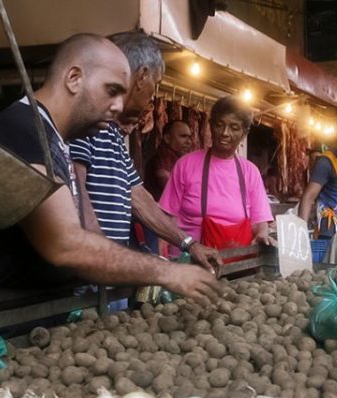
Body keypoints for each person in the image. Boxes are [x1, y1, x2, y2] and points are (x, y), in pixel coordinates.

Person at [0, 34, 221, 304]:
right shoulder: (24, 132)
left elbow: (131, 199)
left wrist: (181, 246)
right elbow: (66, 245)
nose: (117, 106)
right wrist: (166, 271)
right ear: (74, 78)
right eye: (111, 90)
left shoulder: (53, 138)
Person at [70, 32, 219, 271]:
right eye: (155, 85)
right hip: (87, 281)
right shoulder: (86, 123)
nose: (152, 95)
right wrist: (101, 257)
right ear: (142, 77)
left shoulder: (111, 133)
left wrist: (188, 243)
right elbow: (76, 194)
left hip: (106, 275)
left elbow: (139, 200)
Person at [159, 96, 275, 252]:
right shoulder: (186, 165)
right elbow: (167, 217)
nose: (225, 133)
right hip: (188, 259)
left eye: (234, 127)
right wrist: (163, 257)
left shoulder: (250, 172)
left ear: (244, 133)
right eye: (219, 125)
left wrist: (262, 234)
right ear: (211, 126)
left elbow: (259, 221)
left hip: (236, 261)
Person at [144, 120, 193, 200]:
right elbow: (170, 185)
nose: (189, 142)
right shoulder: (161, 158)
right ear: (167, 138)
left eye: (189, 137)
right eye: (183, 136)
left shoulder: (179, 159)